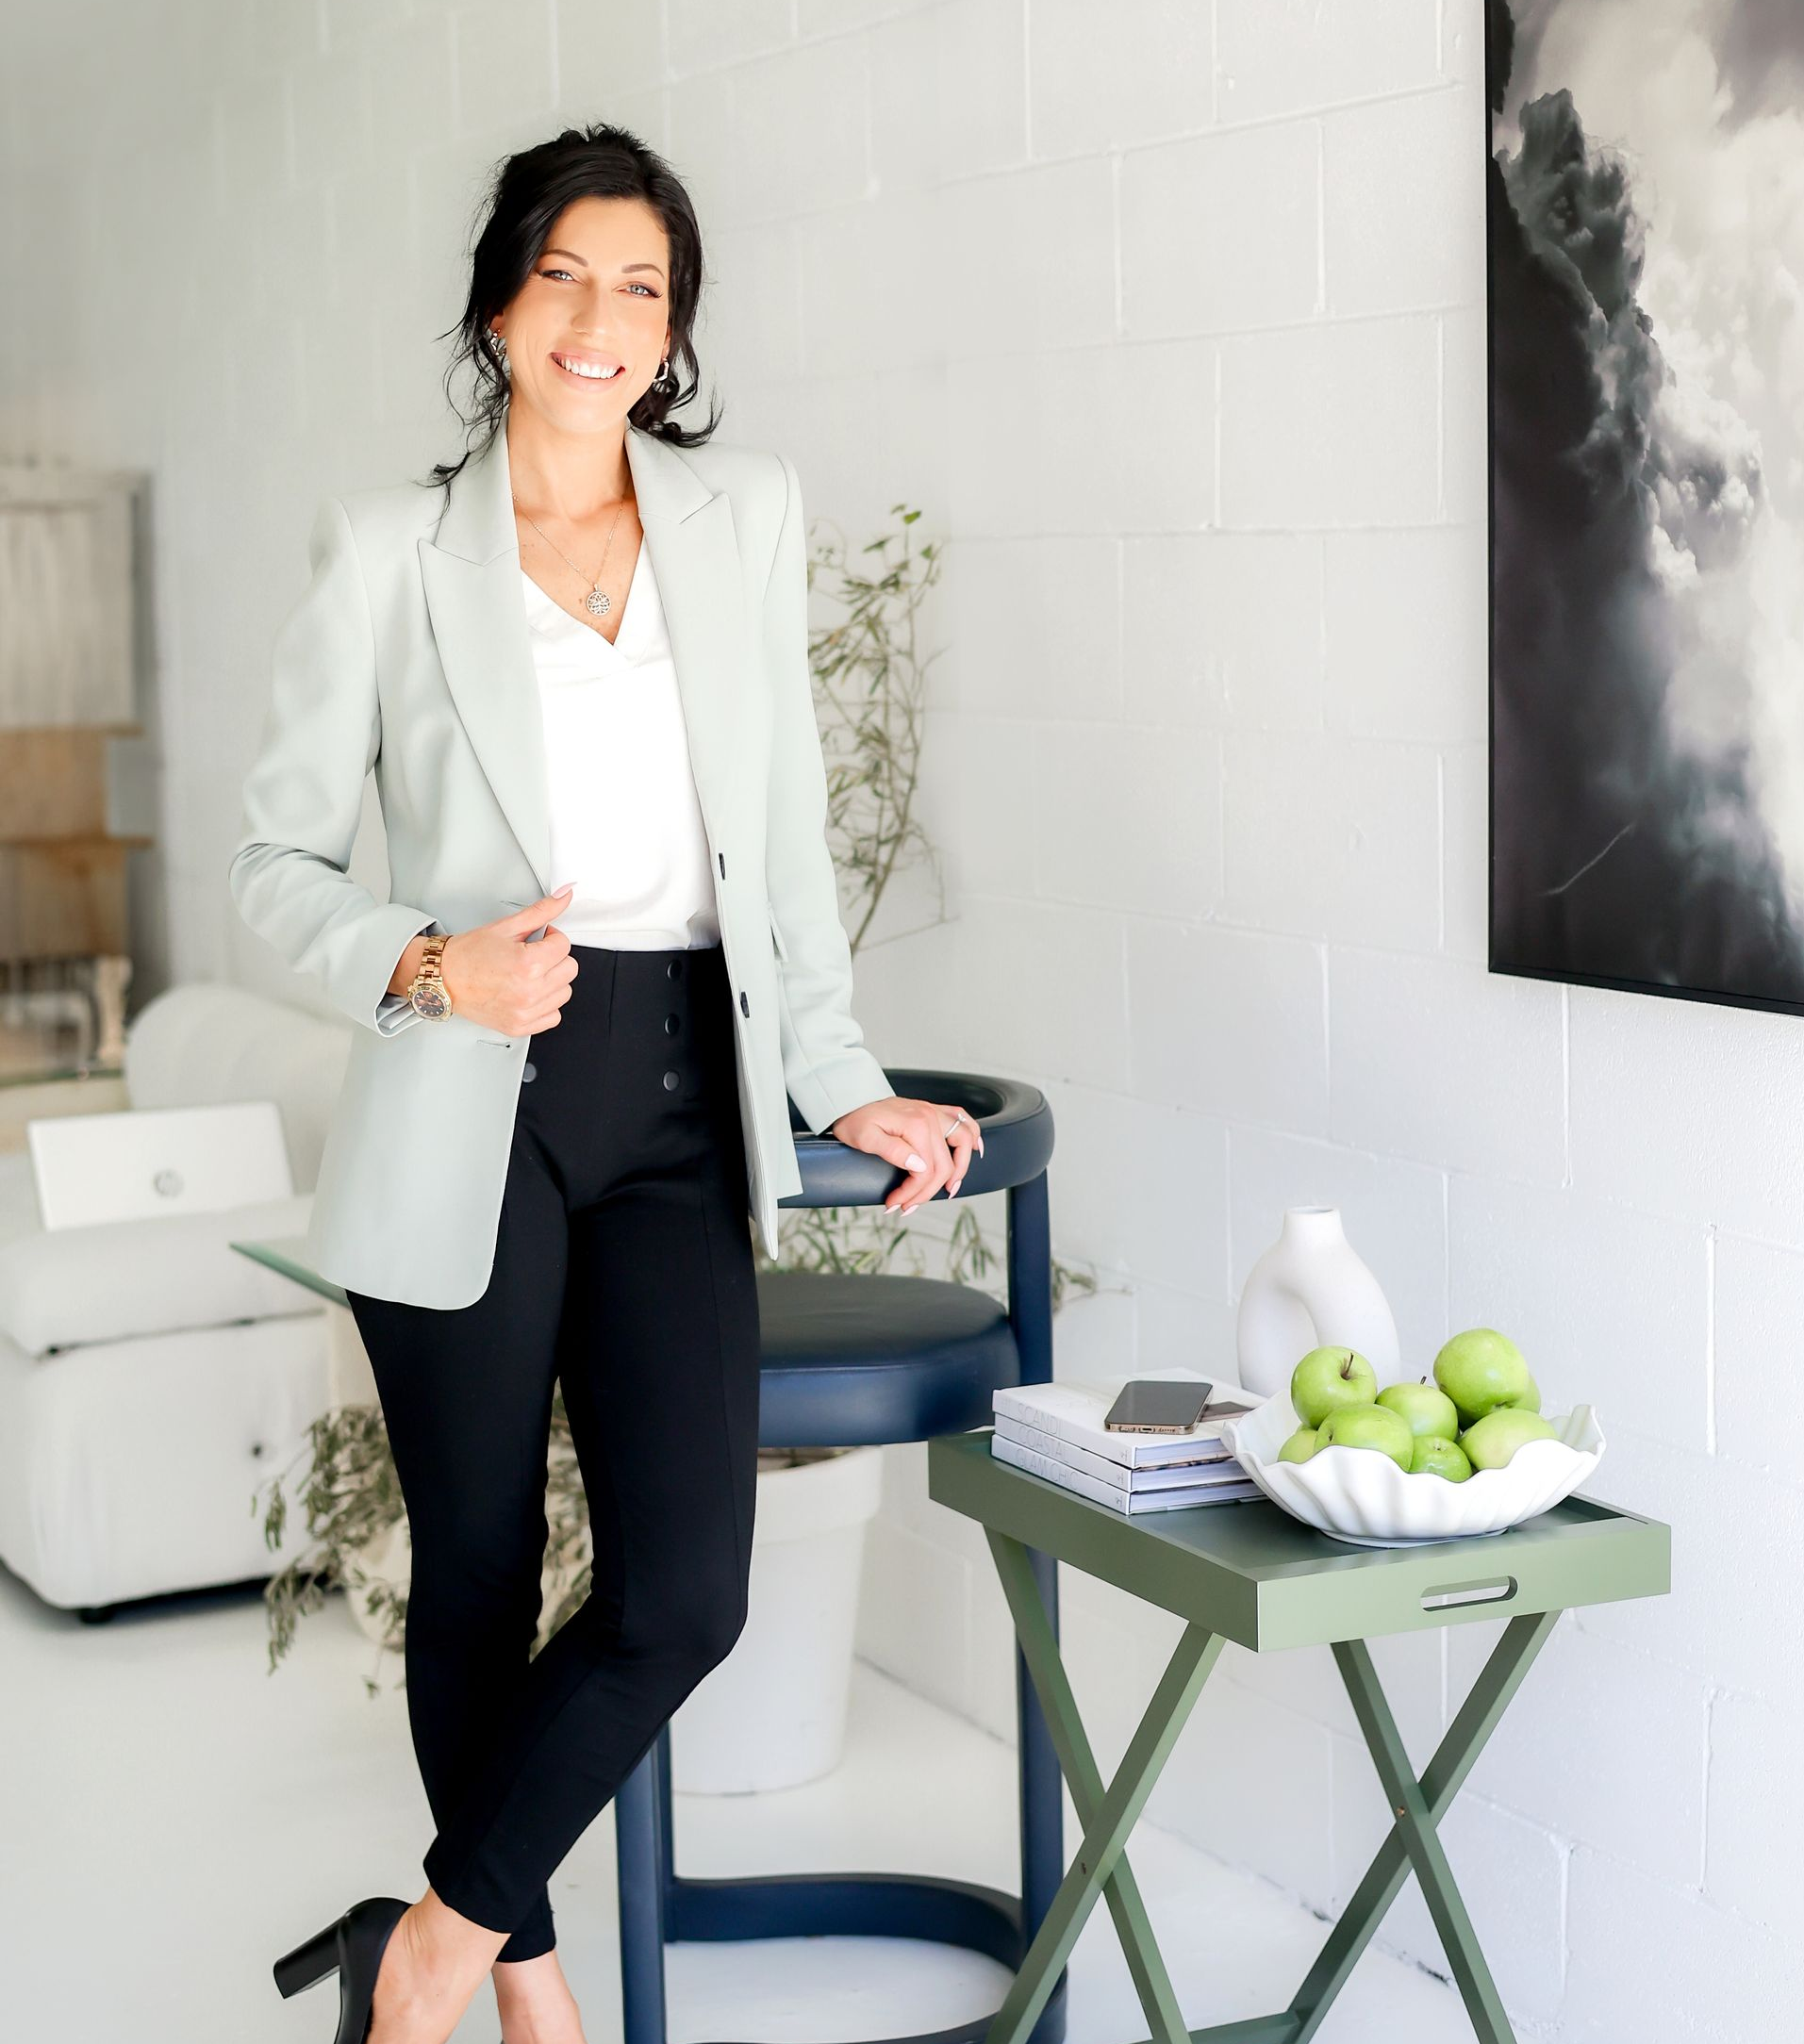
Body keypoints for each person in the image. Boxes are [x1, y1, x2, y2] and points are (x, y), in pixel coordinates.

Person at [234, 123, 982, 2044]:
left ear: (674, 325)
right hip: (467, 1095)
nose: (600, 319)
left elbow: (783, 845)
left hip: (668, 1102)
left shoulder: (739, 520)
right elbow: (269, 880)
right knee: (476, 1577)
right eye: (565, 274)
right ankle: (529, 1992)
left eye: (640, 285)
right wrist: (426, 960)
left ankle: (420, 1942)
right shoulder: (389, 553)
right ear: (498, 300)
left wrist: (844, 1075)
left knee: (682, 1589)